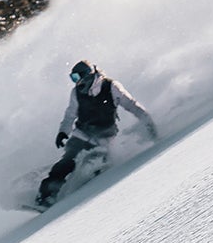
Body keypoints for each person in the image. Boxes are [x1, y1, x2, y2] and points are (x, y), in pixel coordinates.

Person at [36, 59, 157, 207]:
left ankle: (84, 199)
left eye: (76, 77)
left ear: (87, 75)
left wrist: (147, 120)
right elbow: (70, 114)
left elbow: (131, 104)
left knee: (94, 168)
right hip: (81, 135)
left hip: (105, 138)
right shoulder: (76, 93)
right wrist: (63, 132)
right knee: (66, 163)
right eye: (73, 78)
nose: (76, 82)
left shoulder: (111, 86)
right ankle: (46, 197)